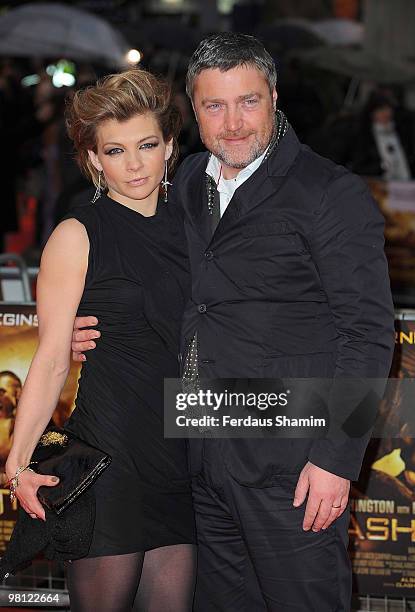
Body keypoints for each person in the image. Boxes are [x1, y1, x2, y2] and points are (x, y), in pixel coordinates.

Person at [72, 34, 395, 611]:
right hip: (199, 455)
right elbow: (151, 269)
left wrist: (336, 460)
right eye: (214, 106)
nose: (235, 124)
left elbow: (368, 334)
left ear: (274, 96)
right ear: (193, 114)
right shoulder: (189, 181)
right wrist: (86, 325)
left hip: (295, 464)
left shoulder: (329, 193)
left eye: (248, 101)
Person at [5, 69, 196, 612]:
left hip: (181, 456)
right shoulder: (76, 234)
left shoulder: (196, 227)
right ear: (93, 159)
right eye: (115, 150)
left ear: (169, 147)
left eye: (147, 145)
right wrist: (18, 463)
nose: (134, 164)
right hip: (111, 454)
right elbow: (48, 359)